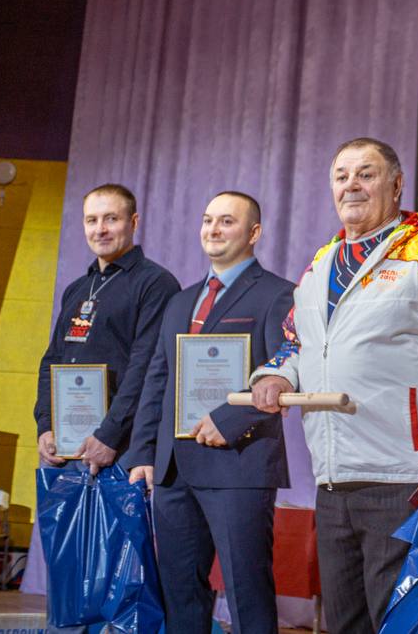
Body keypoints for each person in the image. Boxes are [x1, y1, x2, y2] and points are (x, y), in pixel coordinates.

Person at [250, 138, 418, 634]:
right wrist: (277, 373)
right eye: (341, 176)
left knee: (401, 624)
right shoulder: (321, 262)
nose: (351, 184)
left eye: (366, 174)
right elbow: (298, 340)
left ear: (396, 184)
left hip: (404, 477)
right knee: (344, 623)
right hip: (333, 479)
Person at [126, 191, 294, 634]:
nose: (213, 230)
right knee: (180, 594)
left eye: (226, 221)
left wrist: (230, 419)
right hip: (173, 469)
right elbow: (157, 380)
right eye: (207, 220)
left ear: (254, 233)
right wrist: (143, 452)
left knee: (247, 592)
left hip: (240, 464)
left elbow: (285, 372)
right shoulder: (180, 302)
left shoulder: (279, 295)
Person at [32, 183, 179, 633]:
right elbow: (52, 359)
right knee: (74, 574)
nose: (101, 229)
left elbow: (145, 368)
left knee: (124, 577)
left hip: (124, 453)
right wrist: (45, 424)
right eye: (92, 220)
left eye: (111, 219)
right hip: (72, 451)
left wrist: (110, 436)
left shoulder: (156, 283)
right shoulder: (78, 288)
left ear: (133, 223)